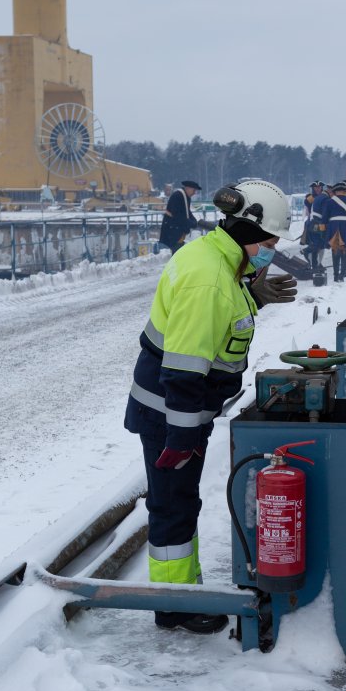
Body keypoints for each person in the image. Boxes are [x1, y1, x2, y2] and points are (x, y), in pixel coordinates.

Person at [125, 179, 298, 633]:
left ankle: (184, 591)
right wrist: (182, 438)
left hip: (177, 412)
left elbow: (219, 325)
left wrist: (253, 295)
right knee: (173, 507)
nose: (272, 249)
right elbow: (182, 372)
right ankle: (174, 606)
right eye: (269, 240)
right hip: (170, 415)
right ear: (246, 231)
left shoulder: (217, 259)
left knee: (180, 504)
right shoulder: (210, 281)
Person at [159, 179, 201, 253]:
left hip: (177, 229)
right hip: (173, 228)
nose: (194, 193)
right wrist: (190, 223)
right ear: (188, 188)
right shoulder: (177, 196)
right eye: (194, 190)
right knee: (177, 250)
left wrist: (193, 220)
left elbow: (187, 211)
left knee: (179, 249)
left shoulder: (185, 196)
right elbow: (177, 215)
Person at [301, 181, 325, 273]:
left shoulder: (324, 197)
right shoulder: (310, 198)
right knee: (314, 245)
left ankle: (318, 263)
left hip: (322, 223)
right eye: (316, 187)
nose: (318, 189)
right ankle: (314, 264)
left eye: (319, 187)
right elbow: (307, 203)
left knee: (321, 245)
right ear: (313, 188)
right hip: (312, 223)